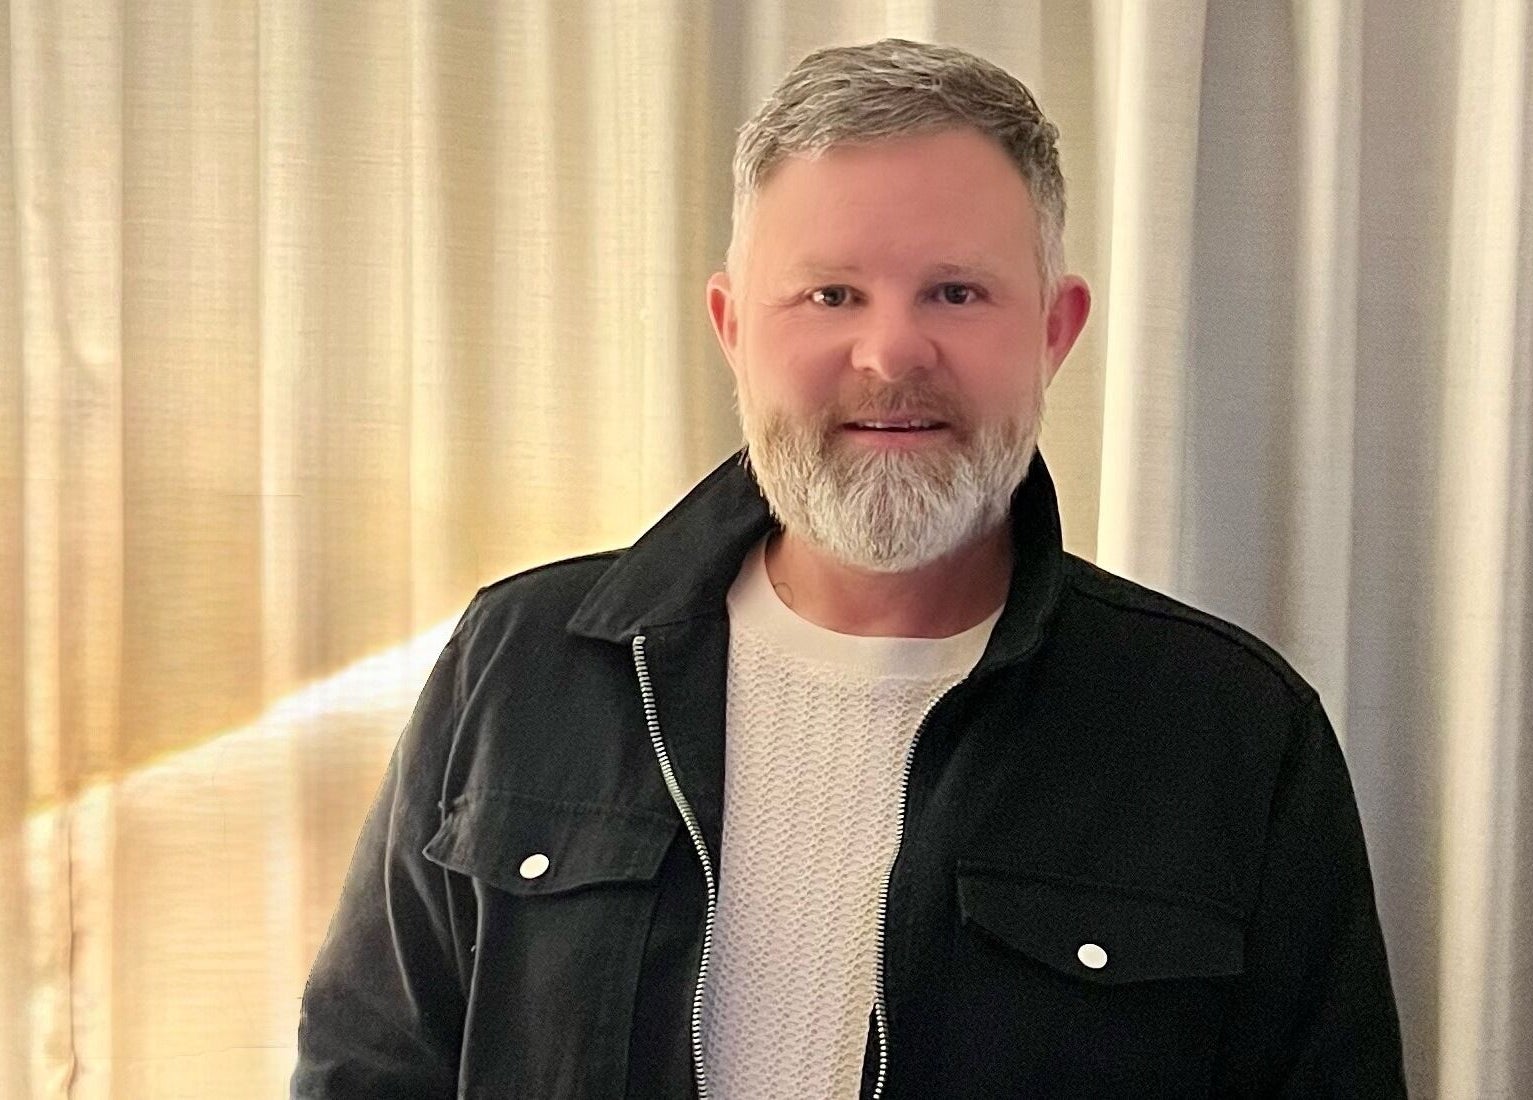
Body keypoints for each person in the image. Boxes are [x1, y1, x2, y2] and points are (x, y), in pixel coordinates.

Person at [292, 38, 1405, 1099]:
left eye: (956, 293)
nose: (889, 353)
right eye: (832, 295)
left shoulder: (1232, 737)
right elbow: (366, 1066)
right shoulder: (517, 665)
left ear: (1056, 331)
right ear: (733, 325)